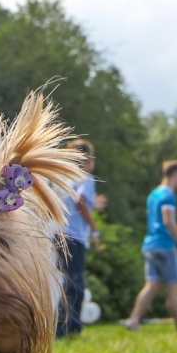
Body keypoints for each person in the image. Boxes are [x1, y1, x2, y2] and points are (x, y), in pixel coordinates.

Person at [125, 160, 177, 330]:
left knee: (152, 285)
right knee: (173, 289)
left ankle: (133, 320)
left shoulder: (153, 194)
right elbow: (168, 221)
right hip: (165, 245)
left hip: (149, 245)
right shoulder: (169, 195)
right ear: (175, 174)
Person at [56, 139, 100, 337]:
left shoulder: (62, 178)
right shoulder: (86, 178)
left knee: (61, 281)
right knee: (75, 283)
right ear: (89, 160)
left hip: (57, 234)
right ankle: (69, 327)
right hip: (75, 236)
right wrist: (93, 226)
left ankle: (57, 325)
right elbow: (80, 200)